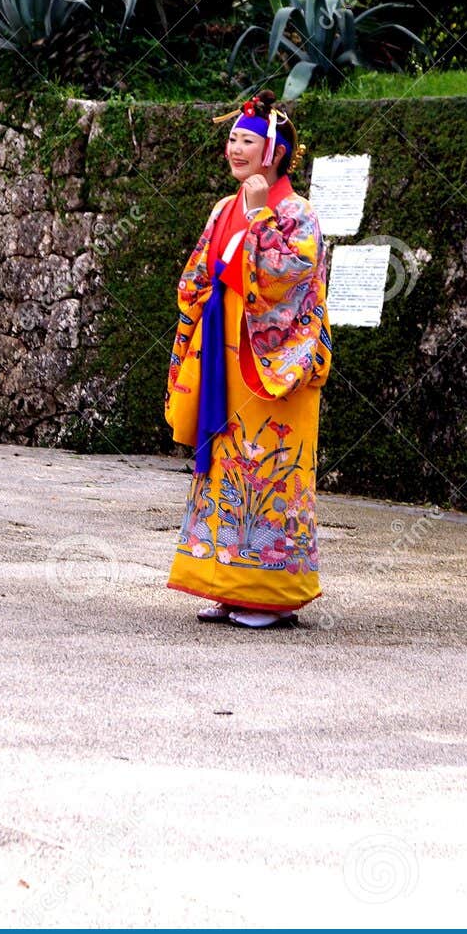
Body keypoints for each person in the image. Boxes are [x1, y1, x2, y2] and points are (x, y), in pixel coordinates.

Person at [164, 90, 331, 629]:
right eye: (232, 138)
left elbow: (291, 283)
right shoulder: (222, 208)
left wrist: (260, 219)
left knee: (268, 468)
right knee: (223, 464)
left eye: (247, 140)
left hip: (271, 359)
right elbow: (198, 274)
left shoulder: (297, 214)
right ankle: (224, 579)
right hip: (224, 351)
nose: (235, 148)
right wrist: (203, 305)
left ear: (274, 151)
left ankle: (273, 593)